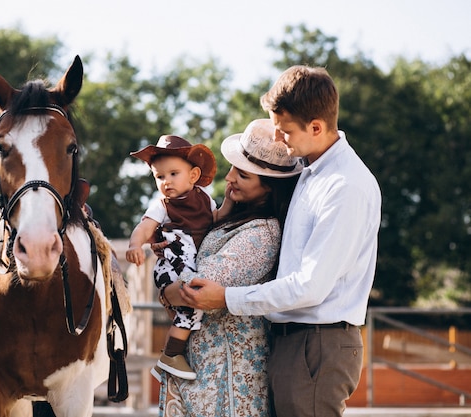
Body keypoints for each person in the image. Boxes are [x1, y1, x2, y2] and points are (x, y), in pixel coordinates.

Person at [179, 65, 382, 417]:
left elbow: (309, 287)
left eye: (284, 130)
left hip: (316, 342)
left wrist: (226, 297)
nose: (277, 137)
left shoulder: (344, 186)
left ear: (316, 127)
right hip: (293, 340)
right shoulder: (310, 170)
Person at [156, 118, 302, 417]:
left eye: (244, 176)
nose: (230, 177)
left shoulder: (263, 232)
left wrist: (165, 288)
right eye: (233, 168)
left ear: (269, 190)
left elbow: (196, 287)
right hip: (202, 369)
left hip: (227, 376)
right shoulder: (226, 219)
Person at [126, 135, 218, 380]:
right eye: (159, 177)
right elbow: (145, 228)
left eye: (173, 174)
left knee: (191, 309)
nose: (166, 182)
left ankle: (171, 357)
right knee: (192, 303)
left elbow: (217, 221)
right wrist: (136, 244)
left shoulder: (206, 200)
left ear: (194, 175)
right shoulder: (163, 206)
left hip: (190, 265)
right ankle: (170, 355)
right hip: (171, 266)